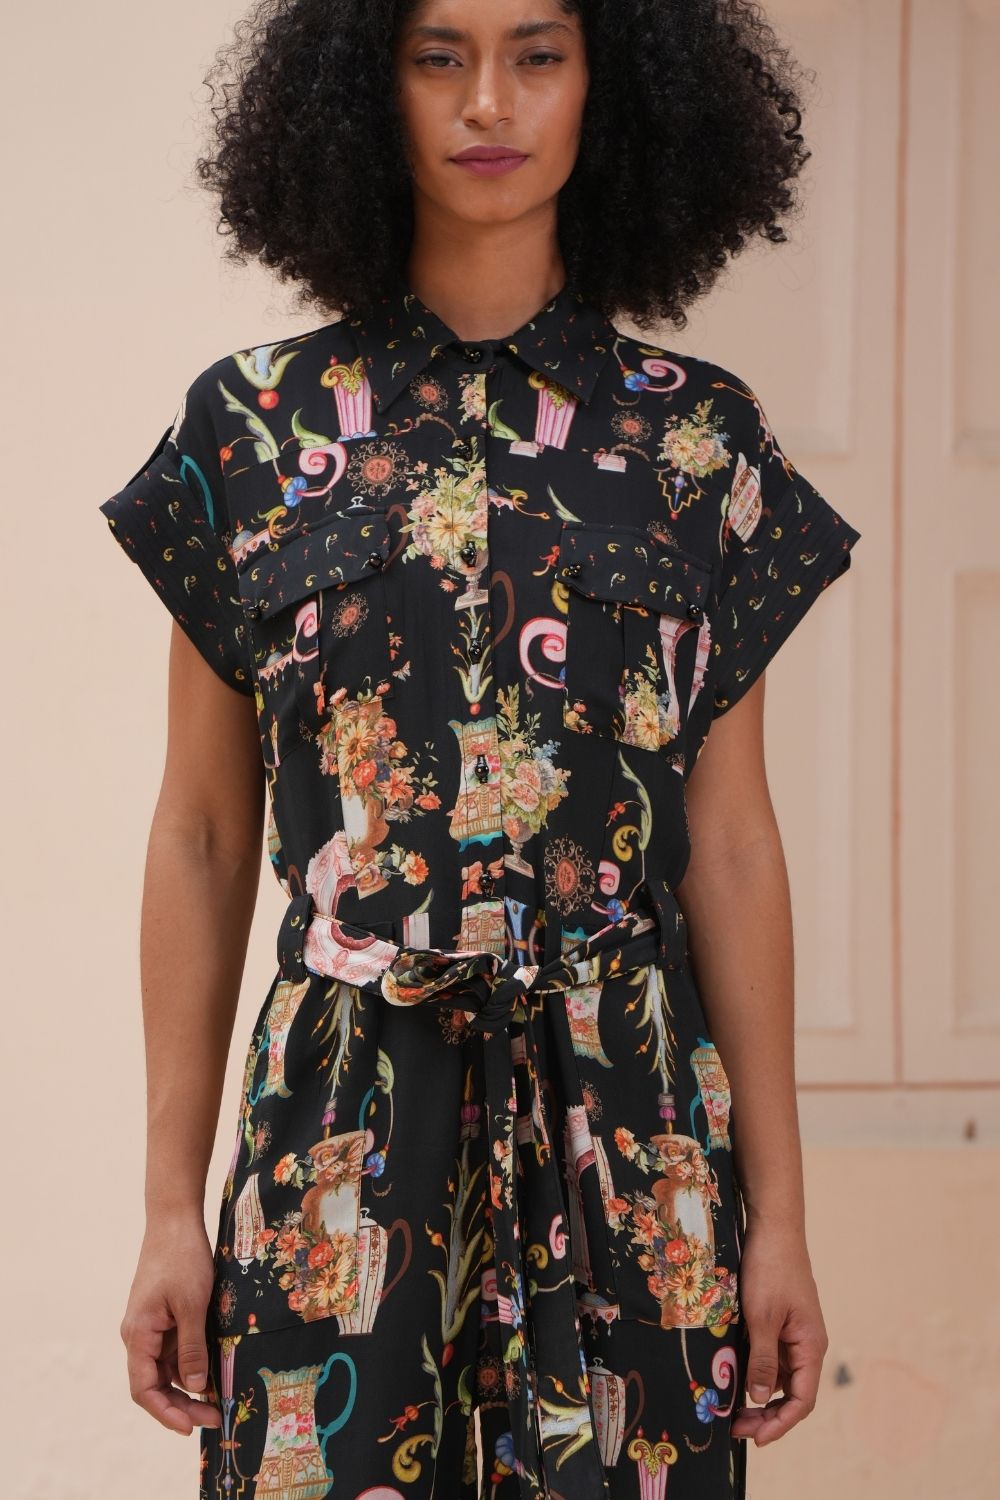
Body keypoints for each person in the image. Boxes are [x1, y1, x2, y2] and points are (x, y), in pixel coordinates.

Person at [99, 3, 862, 1497]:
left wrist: (780, 1221)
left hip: (630, 1139)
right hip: (342, 1128)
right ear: (361, 89)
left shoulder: (700, 441)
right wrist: (168, 1211)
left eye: (539, 53)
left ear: (610, 85)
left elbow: (731, 845)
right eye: (438, 55)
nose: (489, 102)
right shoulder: (250, 427)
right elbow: (200, 833)